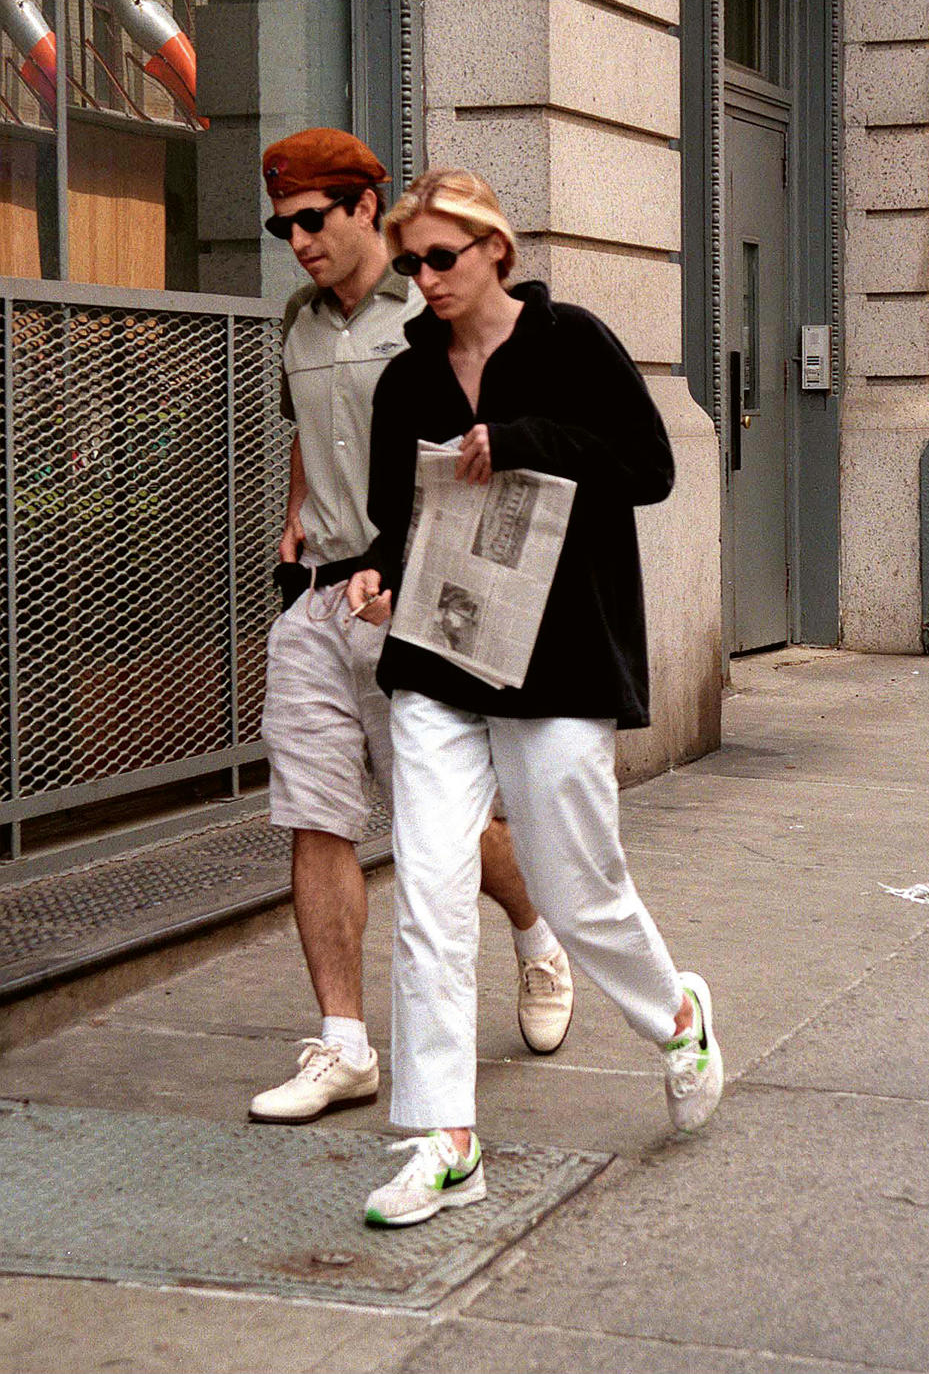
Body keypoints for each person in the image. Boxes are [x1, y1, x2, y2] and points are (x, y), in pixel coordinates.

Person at [347, 168, 723, 1226]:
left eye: (441, 258)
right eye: (410, 261)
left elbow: (651, 469)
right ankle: (444, 1137)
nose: (422, 279)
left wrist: (525, 441)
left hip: (557, 660)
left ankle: (678, 1012)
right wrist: (375, 573)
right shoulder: (404, 382)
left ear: (494, 252)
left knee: (575, 888)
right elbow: (393, 519)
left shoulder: (574, 344)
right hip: (436, 660)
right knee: (425, 889)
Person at [250, 133, 574, 1126]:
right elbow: (314, 436)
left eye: (314, 219)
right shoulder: (298, 325)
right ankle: (344, 1043)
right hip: (316, 598)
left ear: (363, 208)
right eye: (282, 224)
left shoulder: (430, 310)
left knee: (455, 830)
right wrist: (297, 517)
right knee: (316, 814)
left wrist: (425, 584)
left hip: (418, 603)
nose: (297, 240)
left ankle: (536, 929)